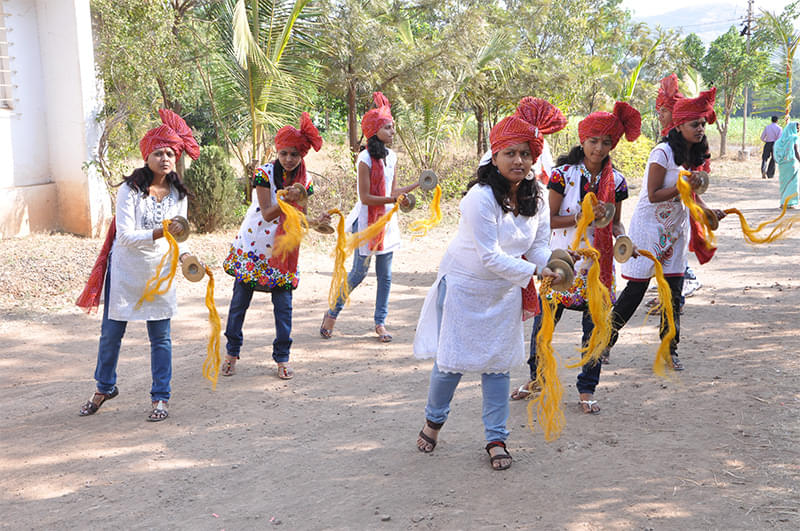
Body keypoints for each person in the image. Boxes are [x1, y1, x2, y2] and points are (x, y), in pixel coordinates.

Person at [413, 98, 566, 471]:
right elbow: (489, 256)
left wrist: (557, 266)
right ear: (494, 157)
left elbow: (538, 247)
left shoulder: (539, 198)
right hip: (465, 287)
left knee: (498, 367)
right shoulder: (479, 198)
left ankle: (496, 438)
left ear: (534, 160)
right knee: (450, 364)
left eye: (525, 154)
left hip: (503, 292)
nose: (518, 161)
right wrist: (534, 273)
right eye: (509, 153)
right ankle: (434, 422)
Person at [510, 102, 641, 414]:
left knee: (595, 329)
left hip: (597, 268)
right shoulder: (561, 176)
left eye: (606, 142)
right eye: (593, 141)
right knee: (544, 327)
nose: (598, 148)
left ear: (613, 145)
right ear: (582, 141)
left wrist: (623, 239)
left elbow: (614, 221)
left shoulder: (617, 182)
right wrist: (581, 217)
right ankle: (537, 379)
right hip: (560, 263)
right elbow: (549, 220)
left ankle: (586, 389)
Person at [78, 109, 199, 422]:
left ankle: (161, 397)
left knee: (161, 338)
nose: (165, 158)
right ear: (147, 156)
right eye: (158, 152)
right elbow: (127, 236)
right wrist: (162, 231)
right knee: (110, 334)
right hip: (127, 273)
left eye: (170, 152)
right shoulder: (130, 190)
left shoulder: (178, 194)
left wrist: (186, 257)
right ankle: (104, 387)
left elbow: (179, 236)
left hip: (160, 274)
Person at [607, 89, 726, 371]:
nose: (700, 129)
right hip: (649, 228)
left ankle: (669, 351)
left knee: (673, 292)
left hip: (675, 229)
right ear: (679, 125)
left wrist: (708, 211)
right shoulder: (662, 153)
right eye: (695, 124)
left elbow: (692, 196)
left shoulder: (693, 154)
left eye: (702, 124)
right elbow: (654, 194)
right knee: (635, 291)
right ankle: (604, 342)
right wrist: (684, 187)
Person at [222, 112, 326, 380]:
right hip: (254, 247)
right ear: (276, 152)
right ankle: (232, 352)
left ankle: (282, 358)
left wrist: (318, 221)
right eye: (284, 153)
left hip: (283, 251)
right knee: (238, 304)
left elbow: (299, 217)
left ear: (302, 156)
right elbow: (268, 213)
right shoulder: (263, 174)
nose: (289, 159)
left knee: (283, 307)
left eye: (294, 154)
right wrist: (286, 198)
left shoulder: (306, 182)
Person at [319, 92, 418, 342]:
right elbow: (365, 198)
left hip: (386, 223)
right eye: (388, 127)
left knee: (386, 275)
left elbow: (392, 191)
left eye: (393, 126)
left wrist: (415, 186)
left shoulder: (392, 157)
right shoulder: (364, 158)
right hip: (365, 222)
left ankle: (380, 323)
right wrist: (392, 200)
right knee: (358, 274)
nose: (393, 131)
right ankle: (332, 313)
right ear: (375, 131)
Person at [774, 122, 800, 208]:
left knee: (784, 184)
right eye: (797, 128)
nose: (798, 130)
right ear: (793, 129)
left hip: (782, 165)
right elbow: (796, 152)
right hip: (792, 164)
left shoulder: (780, 140)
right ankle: (791, 203)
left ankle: (783, 203)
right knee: (793, 183)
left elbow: (777, 153)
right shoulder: (794, 138)